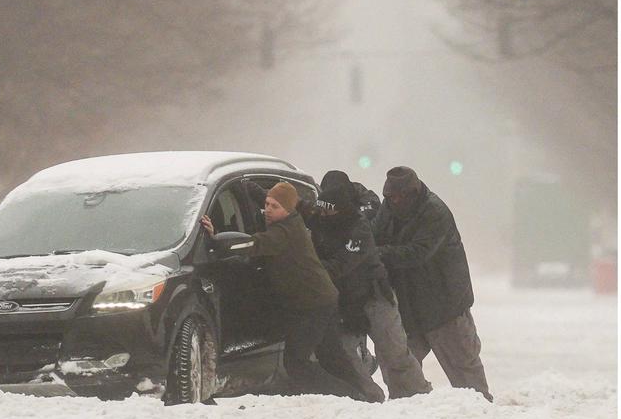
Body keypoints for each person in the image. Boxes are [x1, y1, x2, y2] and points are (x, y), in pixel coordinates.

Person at [201, 181, 378, 401]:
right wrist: (249, 187)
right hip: (322, 298)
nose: (268, 210)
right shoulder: (286, 223)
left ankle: (348, 397)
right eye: (267, 204)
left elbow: (251, 245)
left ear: (288, 210)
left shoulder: (285, 232)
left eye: (275, 206)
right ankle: (367, 396)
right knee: (332, 357)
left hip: (313, 305)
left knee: (296, 363)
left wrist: (216, 239)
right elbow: (267, 202)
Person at [308, 171, 433, 399]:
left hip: (374, 295)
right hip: (344, 301)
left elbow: (342, 264)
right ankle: (369, 399)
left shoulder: (360, 227)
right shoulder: (319, 222)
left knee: (394, 353)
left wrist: (312, 268)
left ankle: (417, 398)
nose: (325, 214)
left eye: (330, 209)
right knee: (348, 358)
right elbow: (295, 210)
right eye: (322, 209)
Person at [373, 166, 492, 400]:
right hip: (408, 306)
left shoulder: (434, 212)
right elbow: (375, 235)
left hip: (445, 307)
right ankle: (408, 409)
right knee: (398, 368)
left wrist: (378, 253)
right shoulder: (388, 210)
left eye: (399, 197)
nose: (394, 202)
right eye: (390, 197)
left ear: (413, 193)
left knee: (466, 374)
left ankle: (481, 411)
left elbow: (418, 252)